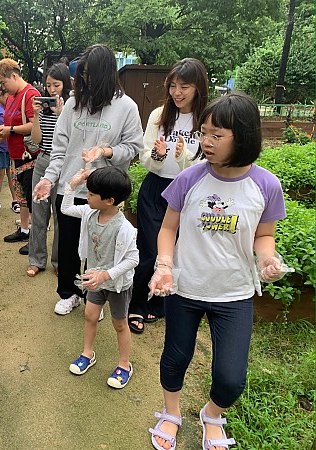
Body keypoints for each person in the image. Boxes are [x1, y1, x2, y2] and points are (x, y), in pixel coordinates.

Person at [148, 93, 289, 450]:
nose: (205, 142)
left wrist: (267, 259)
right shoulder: (189, 178)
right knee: (175, 358)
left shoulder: (266, 185)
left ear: (242, 137)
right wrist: (164, 266)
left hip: (234, 292)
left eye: (216, 135)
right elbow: (167, 229)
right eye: (204, 133)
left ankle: (212, 414)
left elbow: (265, 235)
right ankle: (172, 413)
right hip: (186, 287)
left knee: (231, 378)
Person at [33, 44, 143, 315]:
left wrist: (106, 151)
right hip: (71, 188)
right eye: (83, 76)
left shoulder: (126, 107)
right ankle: (68, 293)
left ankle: (95, 294)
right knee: (68, 244)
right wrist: (49, 179)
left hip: (104, 191)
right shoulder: (73, 104)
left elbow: (133, 147)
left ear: (107, 74)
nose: (87, 81)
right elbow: (59, 148)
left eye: (92, 75)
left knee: (102, 247)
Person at [128, 58, 209, 334]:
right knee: (149, 249)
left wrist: (184, 157)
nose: (177, 92)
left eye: (184, 86)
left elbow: (207, 163)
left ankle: (162, 303)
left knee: (177, 250)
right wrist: (159, 156)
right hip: (156, 189)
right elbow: (145, 157)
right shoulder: (159, 116)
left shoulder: (207, 118)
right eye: (173, 86)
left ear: (198, 87)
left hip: (189, 193)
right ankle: (137, 304)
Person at [62, 167, 138, 389]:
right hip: (94, 279)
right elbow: (66, 208)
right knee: (90, 315)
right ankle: (88, 353)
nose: (87, 196)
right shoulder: (89, 213)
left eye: (92, 194)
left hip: (116, 284)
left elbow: (133, 260)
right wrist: (72, 185)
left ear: (109, 200)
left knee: (119, 323)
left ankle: (124, 365)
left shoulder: (125, 228)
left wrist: (105, 275)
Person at [0, 59, 41, 251]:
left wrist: (11, 130)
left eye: (3, 83)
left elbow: (34, 126)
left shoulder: (30, 94)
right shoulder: (13, 96)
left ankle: (35, 239)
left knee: (33, 198)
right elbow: (6, 129)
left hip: (29, 155)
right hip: (15, 154)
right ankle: (23, 230)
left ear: (14, 76)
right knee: (21, 195)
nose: (2, 87)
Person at [26, 62, 71, 276]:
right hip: (43, 161)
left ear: (65, 84)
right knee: (39, 213)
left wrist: (62, 113)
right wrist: (35, 115)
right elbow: (36, 141)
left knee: (61, 213)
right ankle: (36, 259)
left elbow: (71, 139)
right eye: (49, 86)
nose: (52, 90)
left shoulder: (73, 108)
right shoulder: (43, 110)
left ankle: (59, 261)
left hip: (64, 164)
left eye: (56, 85)